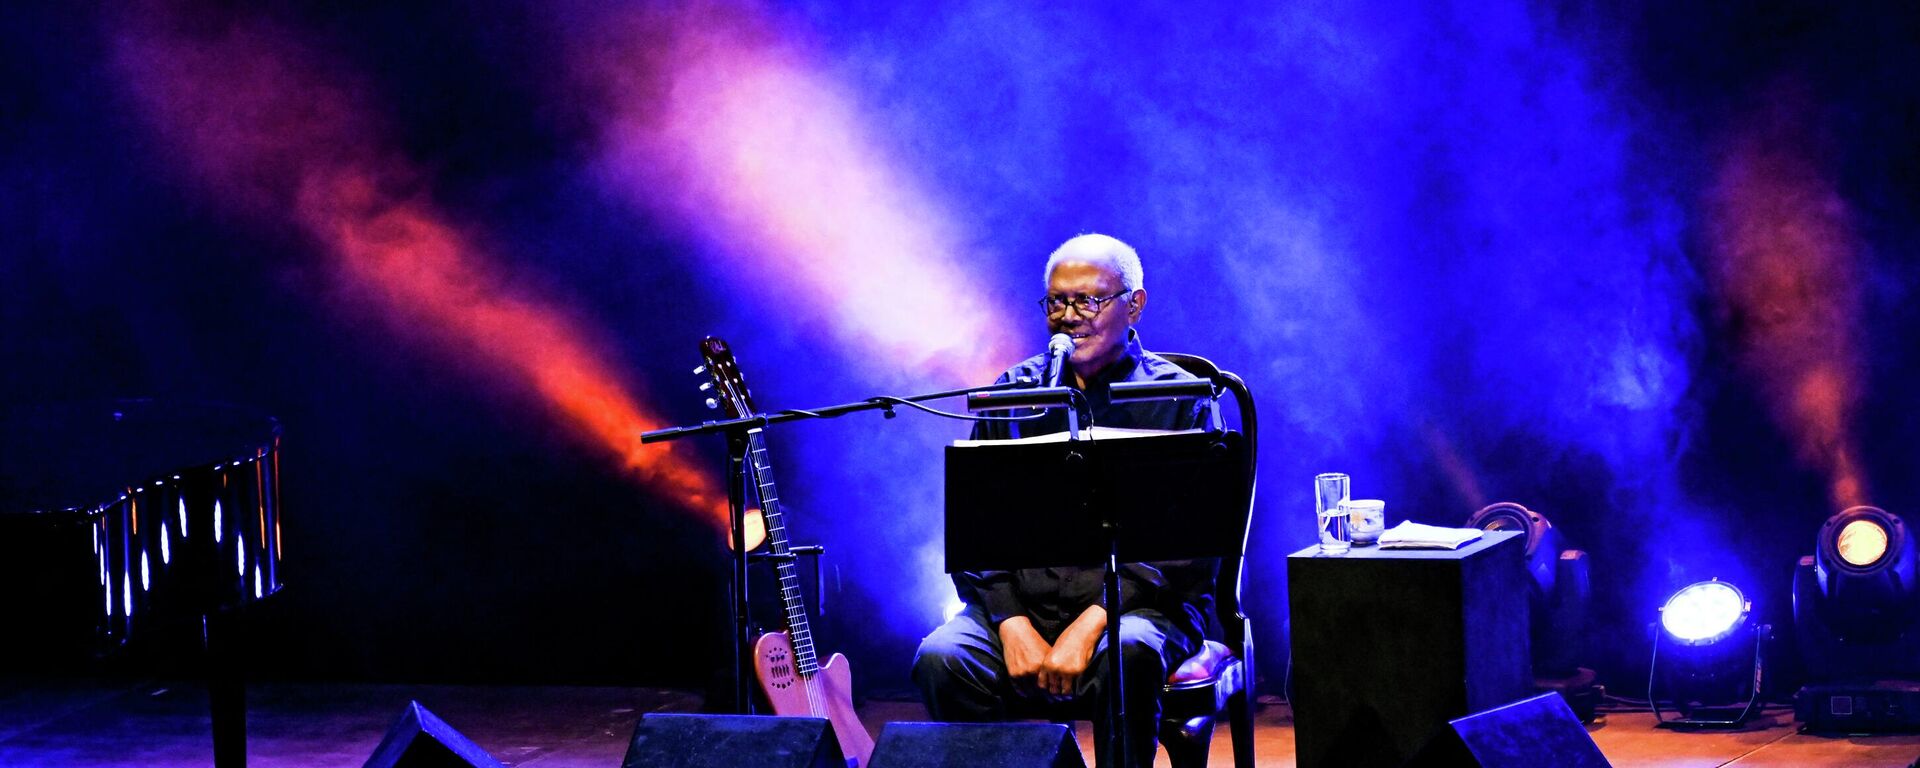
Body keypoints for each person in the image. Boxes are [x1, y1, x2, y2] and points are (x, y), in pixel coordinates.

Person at [912, 233, 1216, 767]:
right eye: (1057, 301)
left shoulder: (1178, 398)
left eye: (1089, 300)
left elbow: (1184, 554)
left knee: (1129, 652)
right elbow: (976, 532)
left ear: (1135, 304)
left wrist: (1091, 622)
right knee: (942, 657)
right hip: (1024, 609)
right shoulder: (1013, 394)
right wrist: (1011, 622)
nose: (1070, 316)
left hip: (1139, 609)